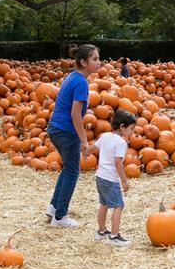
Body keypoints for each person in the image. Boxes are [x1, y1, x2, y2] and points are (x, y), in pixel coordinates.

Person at [46, 44, 101, 227]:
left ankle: (54, 207)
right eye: (95, 59)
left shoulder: (73, 77)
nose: (99, 62)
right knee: (72, 171)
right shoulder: (81, 82)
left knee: (68, 169)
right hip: (66, 131)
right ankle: (60, 217)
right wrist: (85, 142)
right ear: (83, 62)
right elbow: (75, 114)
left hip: (55, 128)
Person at [94, 109, 136, 246]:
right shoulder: (121, 143)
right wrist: (124, 181)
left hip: (100, 176)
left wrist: (86, 152)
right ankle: (114, 237)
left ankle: (101, 232)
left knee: (104, 204)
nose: (132, 132)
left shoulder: (105, 136)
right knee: (118, 206)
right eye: (131, 129)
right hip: (111, 179)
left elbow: (93, 147)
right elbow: (118, 162)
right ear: (122, 127)